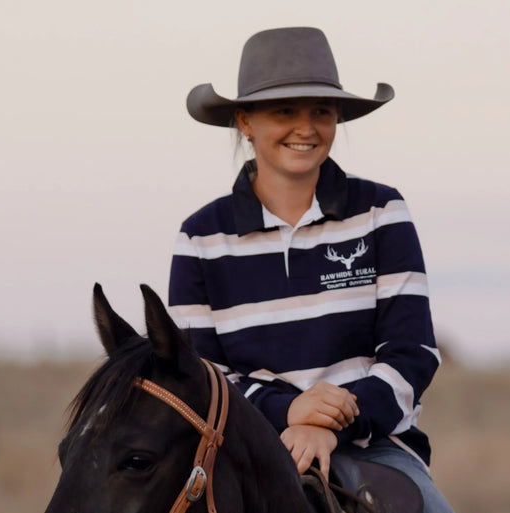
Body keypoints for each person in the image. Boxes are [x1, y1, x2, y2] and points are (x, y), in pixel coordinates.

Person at [167, 27, 452, 513]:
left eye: (321, 110)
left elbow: (412, 353)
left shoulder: (381, 211)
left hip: (375, 445)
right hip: (246, 448)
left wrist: (327, 421)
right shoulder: (201, 237)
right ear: (245, 122)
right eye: (284, 111)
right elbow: (201, 373)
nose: (307, 128)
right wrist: (287, 413)